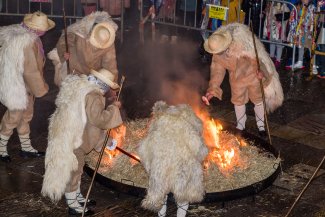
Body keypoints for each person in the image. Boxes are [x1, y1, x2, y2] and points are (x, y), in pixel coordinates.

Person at [41, 69, 123, 215]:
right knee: (74, 171)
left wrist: (105, 141)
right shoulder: (93, 96)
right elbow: (99, 120)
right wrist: (113, 109)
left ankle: (77, 196)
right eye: (107, 86)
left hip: (71, 134)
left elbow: (90, 126)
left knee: (78, 169)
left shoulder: (83, 88)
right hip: (75, 139)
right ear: (102, 84)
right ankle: (73, 204)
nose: (108, 90)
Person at [202, 23, 284, 136]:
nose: (218, 53)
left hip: (253, 76)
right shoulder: (217, 54)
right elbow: (217, 71)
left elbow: (257, 59)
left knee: (258, 100)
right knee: (238, 101)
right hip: (236, 80)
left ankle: (261, 126)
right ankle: (241, 125)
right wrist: (213, 88)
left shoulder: (241, 43)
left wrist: (262, 73)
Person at [0, 11, 55, 163]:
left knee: (26, 116)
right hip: (19, 87)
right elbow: (31, 71)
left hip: (24, 86)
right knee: (14, 117)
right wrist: (41, 89)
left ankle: (26, 148)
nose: (44, 31)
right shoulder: (28, 43)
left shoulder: (30, 37)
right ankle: (0, 148)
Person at [138, 101, 208, 217]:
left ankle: (162, 215)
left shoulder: (158, 124)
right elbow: (200, 149)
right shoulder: (187, 126)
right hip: (182, 167)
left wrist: (150, 166)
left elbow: (145, 149)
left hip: (161, 167)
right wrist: (197, 161)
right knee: (183, 193)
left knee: (161, 192)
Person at [48, 11, 119, 87]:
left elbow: (110, 65)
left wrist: (112, 84)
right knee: (70, 91)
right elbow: (65, 40)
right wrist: (64, 51)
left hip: (93, 74)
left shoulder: (107, 40)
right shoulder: (80, 32)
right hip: (74, 67)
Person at [286, 0, 316, 69]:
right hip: (300, 29)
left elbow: (314, 18)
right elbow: (293, 15)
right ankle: (300, 61)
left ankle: (313, 64)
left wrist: (311, 28)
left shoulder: (312, 7)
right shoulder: (298, 5)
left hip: (309, 29)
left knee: (310, 46)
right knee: (300, 45)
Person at [263, 2, 290, 68]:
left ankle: (278, 60)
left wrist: (277, 17)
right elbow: (269, 15)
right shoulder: (272, 5)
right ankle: (272, 57)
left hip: (280, 28)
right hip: (272, 27)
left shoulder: (284, 6)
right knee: (272, 42)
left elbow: (286, 16)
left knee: (279, 44)